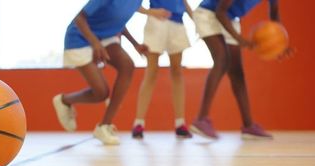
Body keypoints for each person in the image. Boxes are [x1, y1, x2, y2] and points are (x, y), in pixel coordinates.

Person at [190, 0, 291, 140]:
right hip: (208, 15)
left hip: (229, 19)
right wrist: (239, 39)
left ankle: (248, 126)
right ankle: (200, 119)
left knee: (237, 73)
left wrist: (280, 45)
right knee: (222, 60)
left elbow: (274, 14)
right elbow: (220, 12)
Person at [53, 0, 147, 145]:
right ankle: (64, 100)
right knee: (101, 93)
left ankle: (104, 126)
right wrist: (95, 43)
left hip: (105, 38)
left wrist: (135, 44)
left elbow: (118, 21)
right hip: (79, 38)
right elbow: (79, 18)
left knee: (127, 66)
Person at [131, 0, 194, 139]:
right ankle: (138, 123)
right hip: (156, 22)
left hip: (178, 24)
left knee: (177, 72)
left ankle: (180, 124)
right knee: (151, 72)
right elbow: (130, 4)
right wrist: (150, 12)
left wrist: (197, 21)